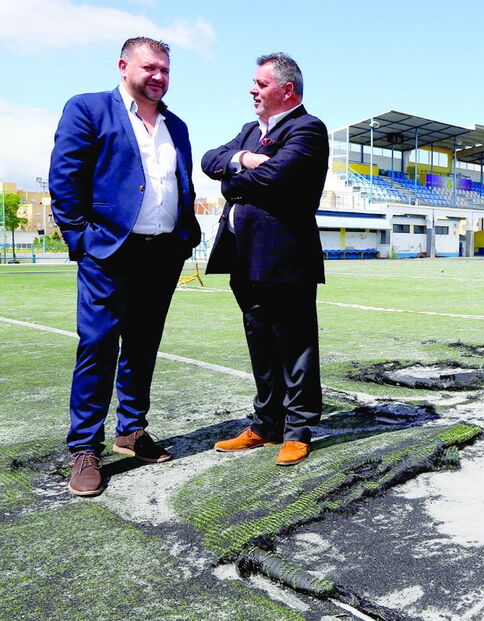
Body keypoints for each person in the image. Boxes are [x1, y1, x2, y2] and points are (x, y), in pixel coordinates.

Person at [49, 37, 201, 496]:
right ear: (123, 66)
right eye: (150, 68)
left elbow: (180, 181)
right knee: (98, 344)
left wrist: (183, 238)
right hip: (109, 251)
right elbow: (65, 176)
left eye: (165, 71)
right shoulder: (89, 109)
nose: (159, 77)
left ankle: (132, 431)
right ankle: (85, 448)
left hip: (162, 253)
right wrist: (81, 240)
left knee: (143, 345)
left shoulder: (176, 124)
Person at [203, 53, 328, 466]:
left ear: (286, 89)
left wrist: (231, 183)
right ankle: (266, 425)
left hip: (285, 256)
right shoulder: (247, 132)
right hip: (242, 255)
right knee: (260, 342)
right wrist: (241, 158)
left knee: (295, 343)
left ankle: (298, 430)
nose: (252, 90)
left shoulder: (308, 129)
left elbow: (275, 177)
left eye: (260, 83)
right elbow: (209, 160)